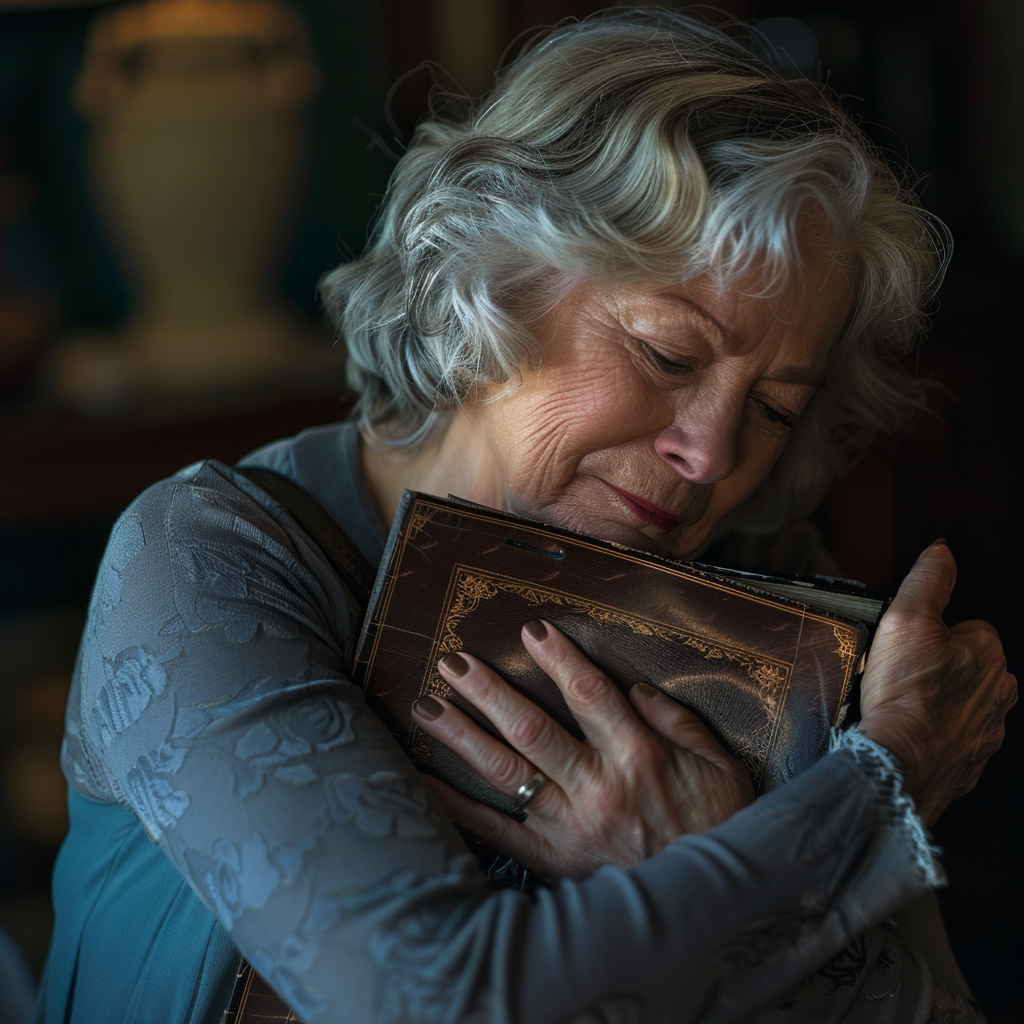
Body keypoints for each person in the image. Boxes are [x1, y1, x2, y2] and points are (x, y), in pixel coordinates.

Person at [35, 9, 1015, 1024]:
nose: (713, 454)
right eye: (667, 355)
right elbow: (426, 998)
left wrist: (688, 864)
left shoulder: (760, 576)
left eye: (773, 407)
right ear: (485, 278)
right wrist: (875, 791)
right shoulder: (207, 559)